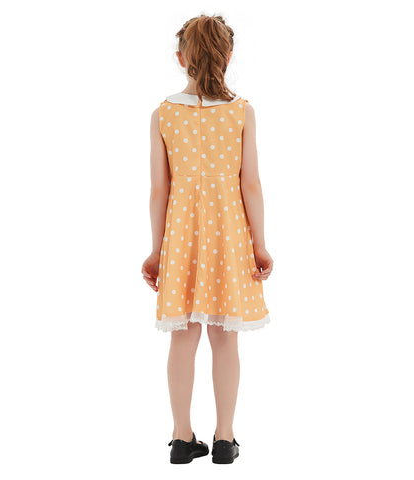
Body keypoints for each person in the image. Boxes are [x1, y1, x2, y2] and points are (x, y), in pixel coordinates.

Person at [141, 14, 273, 464]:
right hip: (229, 236)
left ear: (181, 58)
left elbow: (159, 189)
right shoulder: (241, 111)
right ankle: (224, 439)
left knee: (183, 337)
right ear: (228, 55)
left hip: (180, 237)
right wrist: (259, 244)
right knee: (224, 338)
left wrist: (156, 250)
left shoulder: (163, 114)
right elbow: (250, 183)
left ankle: (182, 438)